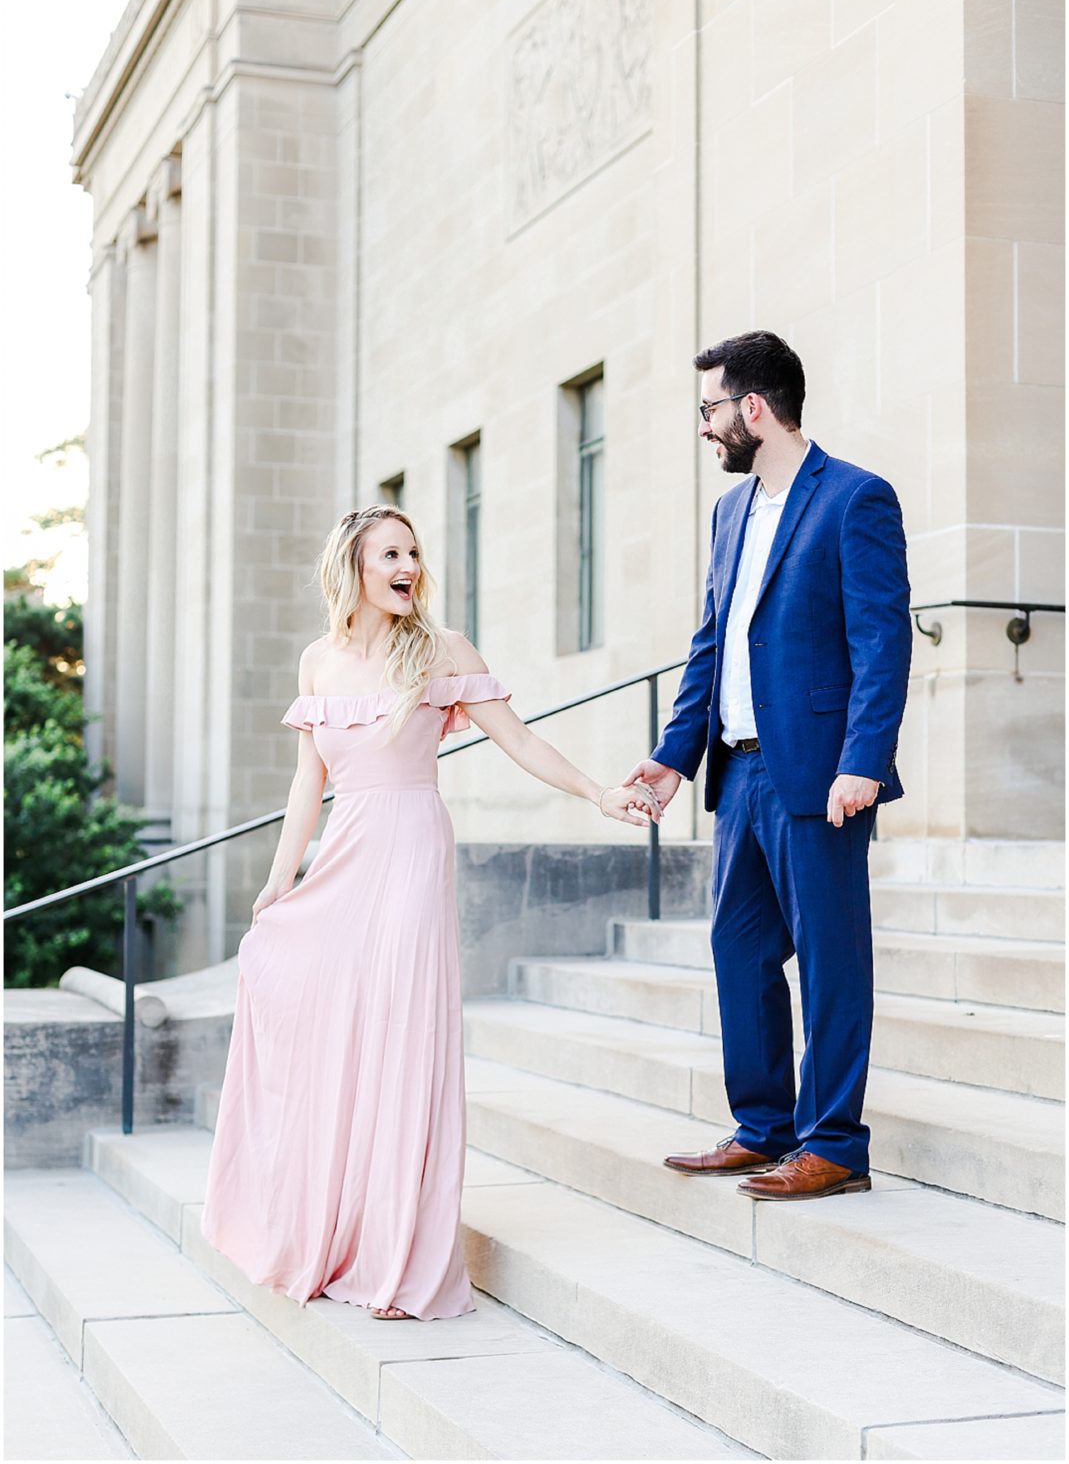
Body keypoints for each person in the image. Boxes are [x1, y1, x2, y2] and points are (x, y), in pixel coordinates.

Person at [200, 504, 659, 1320]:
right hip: (344, 856)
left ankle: (398, 1250)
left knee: (401, 1037)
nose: (408, 565)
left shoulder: (443, 651)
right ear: (355, 569)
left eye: (413, 552)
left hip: (411, 847)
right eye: (390, 554)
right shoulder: (318, 662)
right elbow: (309, 785)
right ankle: (334, 1225)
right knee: (330, 1027)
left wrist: (598, 792)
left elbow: (518, 741)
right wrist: (279, 882)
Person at [623, 330, 912, 1201]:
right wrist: (674, 756)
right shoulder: (729, 513)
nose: (704, 428)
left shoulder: (855, 499)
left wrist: (862, 759)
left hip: (822, 775)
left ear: (753, 408)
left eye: (710, 410)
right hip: (738, 775)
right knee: (739, 954)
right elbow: (710, 643)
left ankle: (834, 1145)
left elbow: (880, 640)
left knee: (829, 960)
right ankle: (762, 1128)